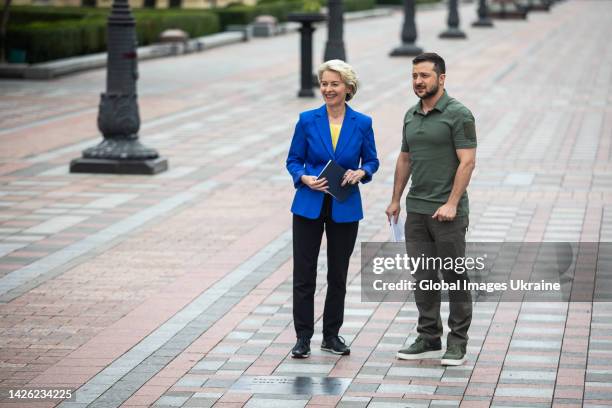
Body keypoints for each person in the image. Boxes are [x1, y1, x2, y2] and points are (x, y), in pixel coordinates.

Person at [385, 53, 477, 366]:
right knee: (423, 276)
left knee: (454, 276)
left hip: (447, 214)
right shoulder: (411, 115)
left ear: (442, 78)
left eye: (425, 75)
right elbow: (405, 158)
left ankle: (457, 342)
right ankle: (428, 336)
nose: (418, 81)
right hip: (416, 211)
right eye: (414, 76)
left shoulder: (459, 114)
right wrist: (396, 199)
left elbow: (468, 161)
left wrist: (451, 203)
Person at [286, 60, 379, 358]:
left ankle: (331, 335)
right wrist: (303, 177)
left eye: (334, 84)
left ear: (348, 88)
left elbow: (372, 160)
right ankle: (303, 337)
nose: (327, 89)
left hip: (345, 205)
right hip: (308, 205)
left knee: (337, 274)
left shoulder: (362, 123)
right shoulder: (306, 119)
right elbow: (293, 160)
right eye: (324, 83)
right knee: (304, 273)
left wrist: (361, 173)